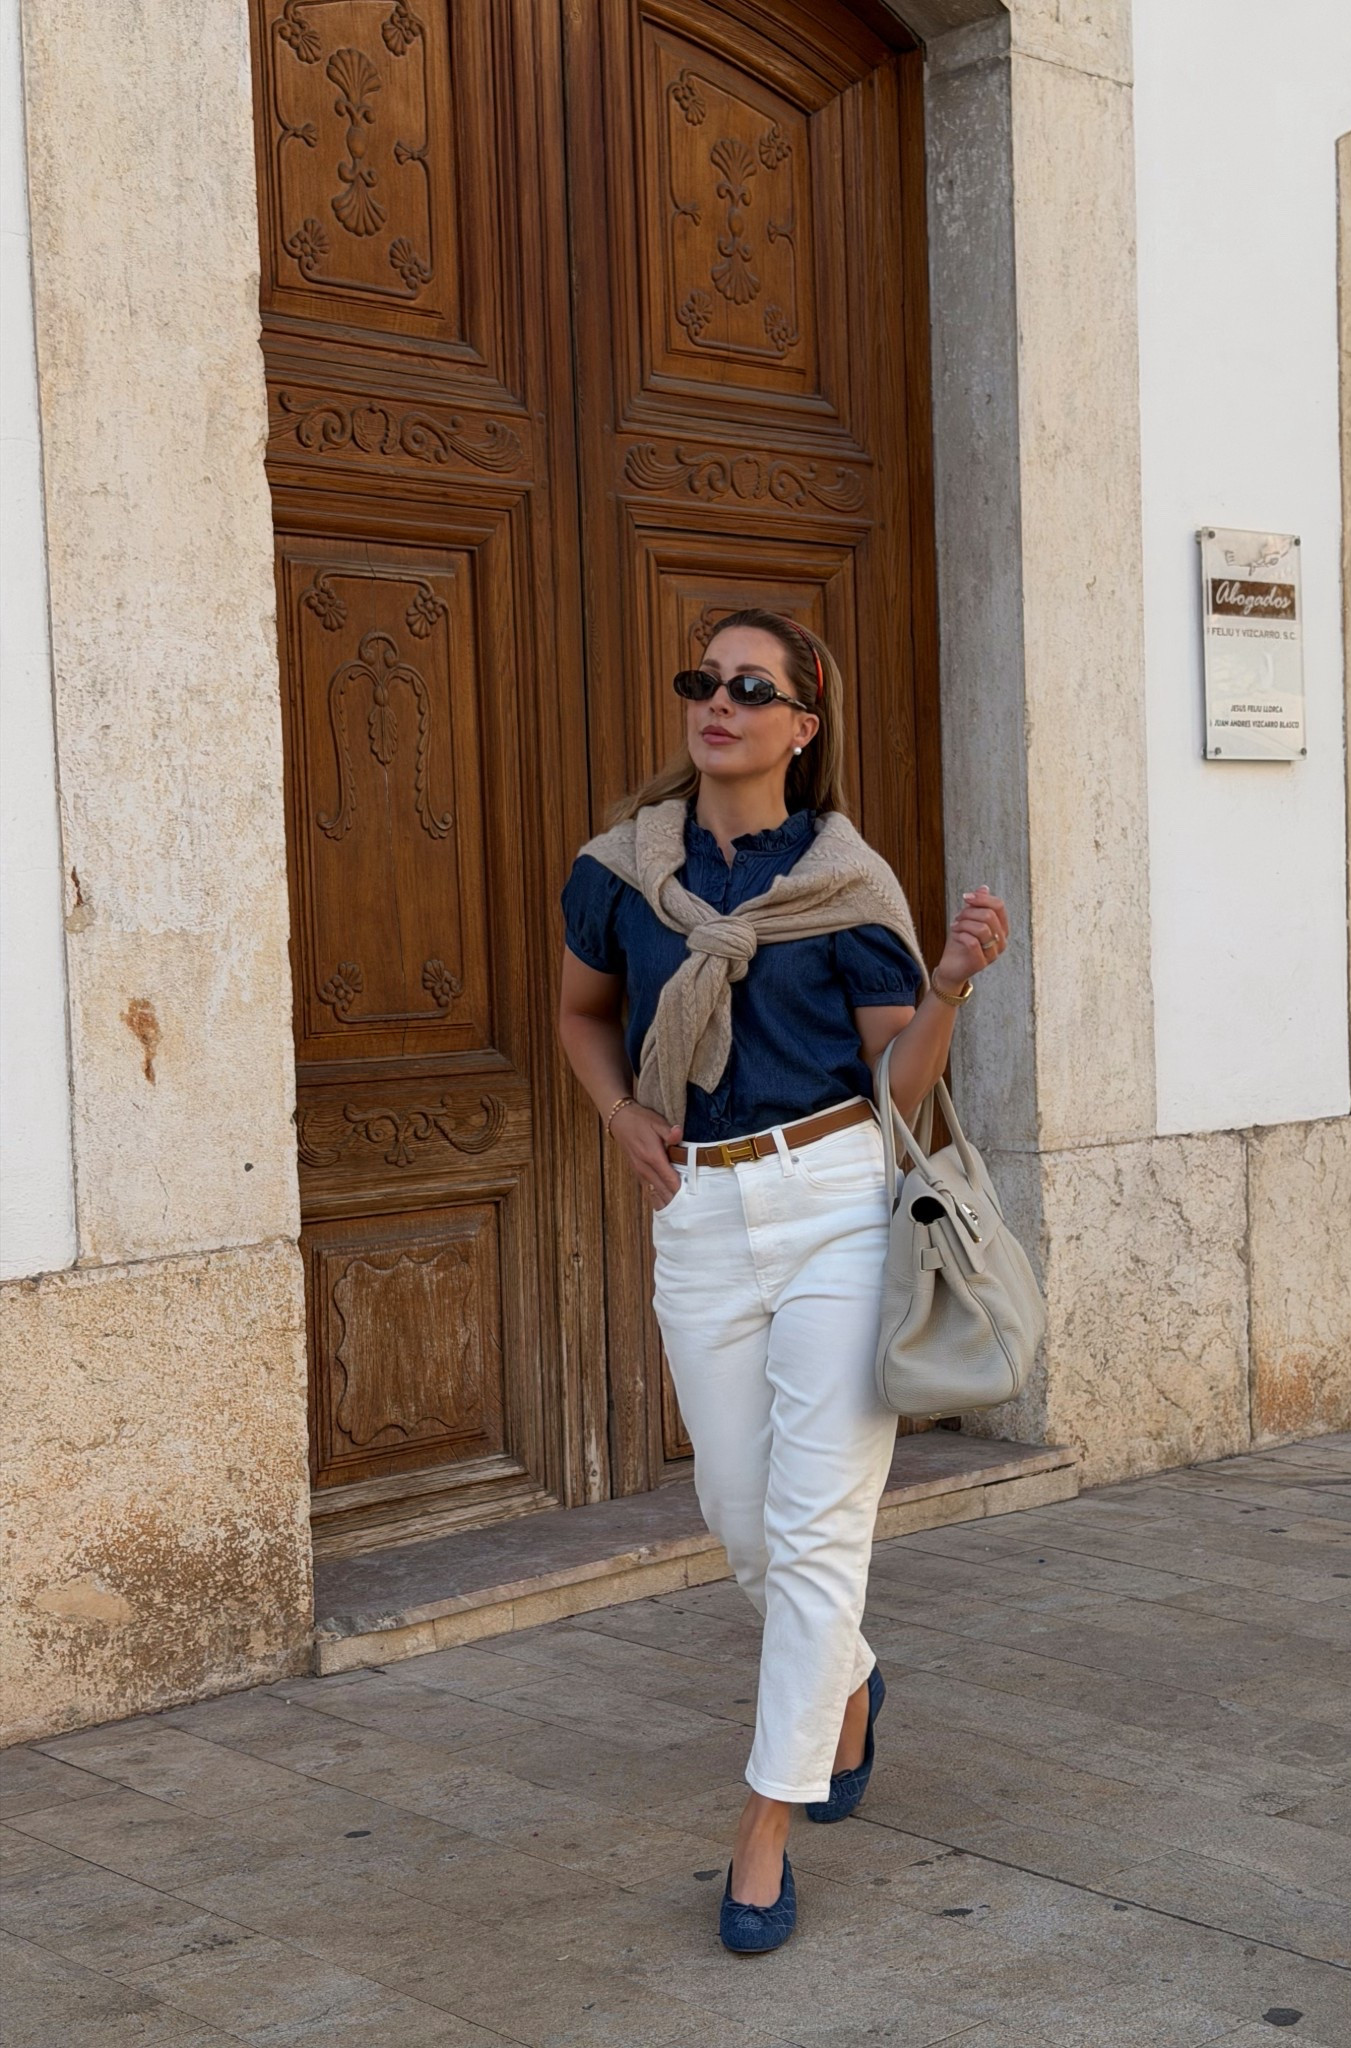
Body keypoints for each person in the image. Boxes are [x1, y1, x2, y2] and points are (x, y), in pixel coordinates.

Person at [557, 608, 1008, 1953]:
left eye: (750, 687)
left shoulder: (851, 887)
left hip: (831, 1205)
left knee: (815, 1533)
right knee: (743, 1518)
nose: (719, 703)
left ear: (802, 725)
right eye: (703, 680)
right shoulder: (623, 875)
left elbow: (896, 1085)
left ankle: (764, 1824)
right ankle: (850, 1678)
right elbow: (581, 1013)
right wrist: (618, 1114)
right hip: (697, 1205)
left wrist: (950, 991)